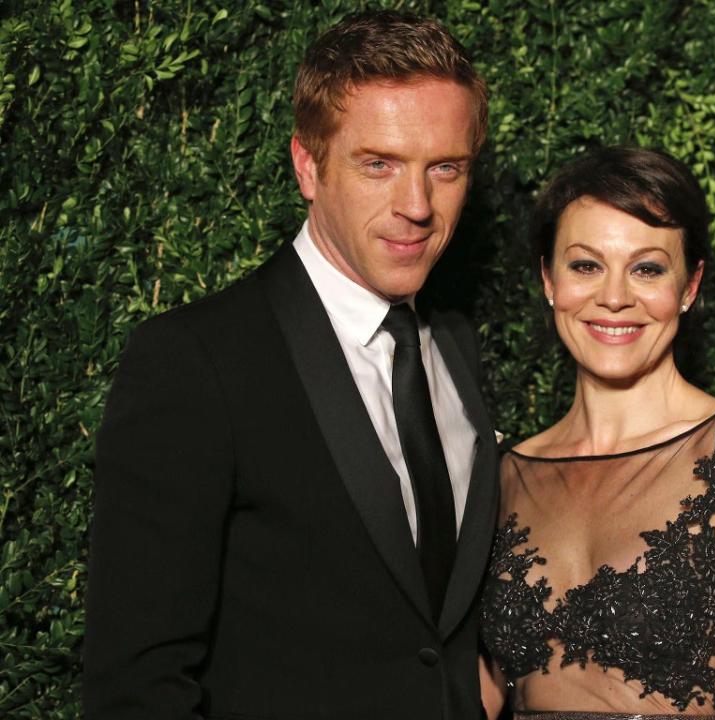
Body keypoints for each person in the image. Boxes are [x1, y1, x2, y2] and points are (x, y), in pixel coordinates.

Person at [83, 11, 500, 719]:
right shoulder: (196, 360)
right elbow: (137, 685)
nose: (417, 205)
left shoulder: (455, 345)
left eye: (445, 168)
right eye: (379, 164)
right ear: (308, 165)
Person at [478, 147, 715, 720]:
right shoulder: (504, 473)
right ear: (549, 279)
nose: (615, 296)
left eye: (647, 268)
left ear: (689, 286)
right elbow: (477, 695)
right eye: (585, 265)